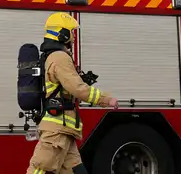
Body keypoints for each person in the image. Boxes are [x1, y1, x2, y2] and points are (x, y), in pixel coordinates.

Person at [25, 13, 118, 174]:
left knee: (76, 170)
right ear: (62, 33)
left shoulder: (55, 56)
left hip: (64, 130)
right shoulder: (60, 57)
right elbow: (77, 88)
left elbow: (68, 88)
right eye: (71, 32)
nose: (73, 37)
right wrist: (106, 99)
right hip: (57, 130)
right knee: (40, 169)